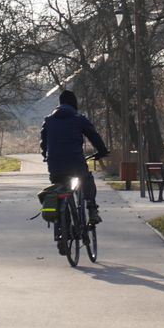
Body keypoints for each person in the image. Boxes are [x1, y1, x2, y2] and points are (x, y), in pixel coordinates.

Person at [40, 90, 109, 228]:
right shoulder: (79, 119)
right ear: (74, 103)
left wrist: (45, 155)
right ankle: (92, 208)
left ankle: (62, 227)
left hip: (55, 165)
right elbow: (94, 136)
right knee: (86, 179)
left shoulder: (48, 120)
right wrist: (102, 151)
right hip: (76, 163)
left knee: (59, 188)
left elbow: (43, 142)